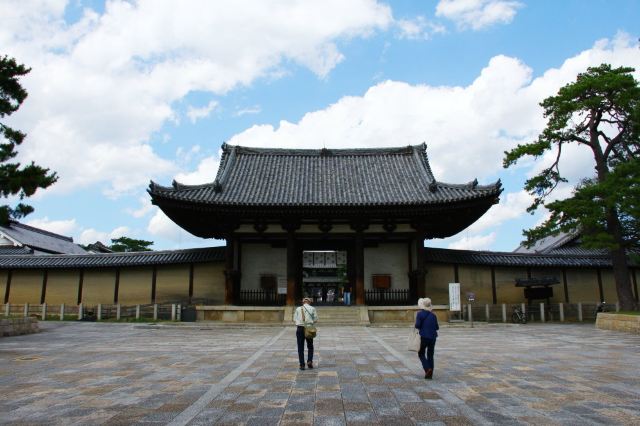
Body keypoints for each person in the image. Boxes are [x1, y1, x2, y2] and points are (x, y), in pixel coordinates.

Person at [415, 297, 439, 379]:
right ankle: (430, 374)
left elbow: (417, 325)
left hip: (424, 336)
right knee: (430, 355)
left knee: (421, 353)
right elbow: (437, 327)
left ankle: (427, 369)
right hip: (433, 337)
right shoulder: (433, 315)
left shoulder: (419, 314)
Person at [294, 297, 318, 370]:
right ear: (309, 302)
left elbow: (294, 319)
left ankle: (302, 364)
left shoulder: (298, 309)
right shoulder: (312, 308)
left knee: (300, 347)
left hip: (300, 328)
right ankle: (309, 361)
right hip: (309, 328)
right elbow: (316, 319)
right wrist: (310, 322)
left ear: (303, 302)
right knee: (310, 346)